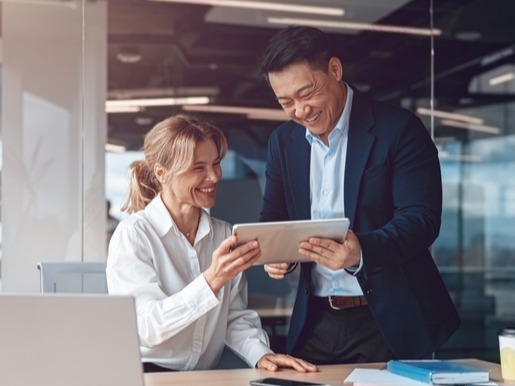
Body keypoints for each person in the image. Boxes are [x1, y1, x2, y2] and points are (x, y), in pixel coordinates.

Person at [258, 26, 461, 364]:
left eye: (307, 93)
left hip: (389, 320)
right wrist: (278, 253)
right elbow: (274, 216)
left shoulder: (398, 129)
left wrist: (360, 251)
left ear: (335, 70)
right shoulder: (283, 143)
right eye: (286, 102)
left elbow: (421, 219)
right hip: (315, 321)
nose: (300, 110)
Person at [106, 114, 317, 373]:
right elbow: (146, 327)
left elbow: (233, 317)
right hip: (149, 376)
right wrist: (212, 280)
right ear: (162, 173)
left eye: (216, 164)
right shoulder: (133, 236)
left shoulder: (223, 233)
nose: (214, 176)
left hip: (204, 376)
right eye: (198, 168)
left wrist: (261, 355)